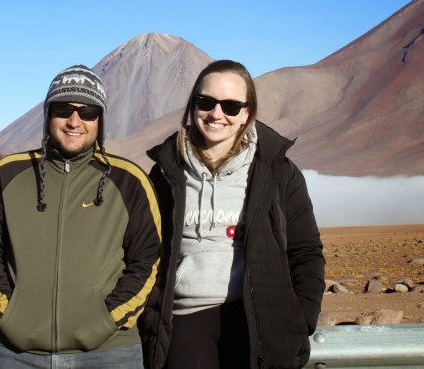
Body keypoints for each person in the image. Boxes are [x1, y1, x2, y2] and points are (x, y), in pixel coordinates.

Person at [0, 64, 161, 368]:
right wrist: (7, 316)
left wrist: (105, 321)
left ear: (101, 121)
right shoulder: (8, 174)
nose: (74, 121)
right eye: (63, 109)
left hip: (109, 352)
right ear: (47, 115)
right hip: (15, 353)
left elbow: (147, 259)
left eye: (88, 112)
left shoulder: (129, 181)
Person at [139, 59, 326, 369]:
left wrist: (300, 317)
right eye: (206, 102)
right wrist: (152, 313)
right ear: (193, 105)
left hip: (258, 320)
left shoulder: (277, 172)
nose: (216, 114)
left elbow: (305, 251)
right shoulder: (166, 172)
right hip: (184, 318)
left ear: (247, 113)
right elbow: (145, 252)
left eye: (230, 106)